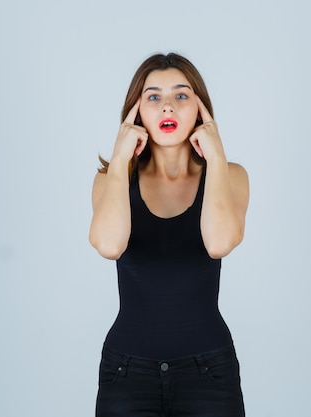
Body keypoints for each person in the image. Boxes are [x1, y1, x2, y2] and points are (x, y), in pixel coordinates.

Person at [89, 52, 250, 417]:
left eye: (181, 95)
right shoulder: (111, 180)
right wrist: (119, 160)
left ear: (200, 110)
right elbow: (109, 244)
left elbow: (219, 242)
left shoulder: (231, 175)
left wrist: (217, 156)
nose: (167, 108)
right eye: (153, 97)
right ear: (136, 113)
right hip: (126, 372)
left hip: (209, 373)